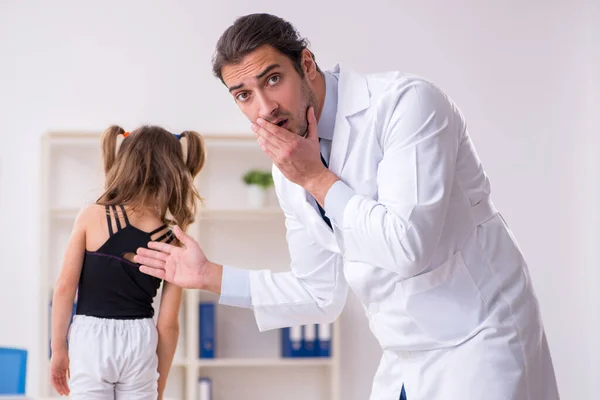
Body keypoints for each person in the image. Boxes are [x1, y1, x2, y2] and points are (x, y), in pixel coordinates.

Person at [134, 13, 560, 400]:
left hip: (480, 338)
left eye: (272, 79)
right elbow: (320, 295)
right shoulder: (292, 165)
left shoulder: (406, 105)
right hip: (404, 353)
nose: (264, 109)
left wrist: (317, 178)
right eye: (244, 95)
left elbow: (408, 248)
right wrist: (209, 276)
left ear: (306, 64)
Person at [50, 125, 206, 399]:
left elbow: (64, 287)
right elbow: (168, 324)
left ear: (124, 162)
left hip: (91, 337)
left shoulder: (91, 216)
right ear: (173, 170)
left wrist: (59, 349)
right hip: (140, 340)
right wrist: (159, 384)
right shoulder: (173, 240)